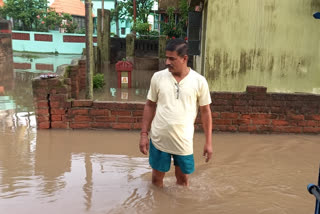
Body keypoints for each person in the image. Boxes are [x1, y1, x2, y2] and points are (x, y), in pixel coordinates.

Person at [139, 39, 212, 187]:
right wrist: (144, 134)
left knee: (183, 181)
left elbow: (205, 111)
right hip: (160, 139)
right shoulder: (158, 77)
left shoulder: (199, 81)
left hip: (183, 140)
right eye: (166, 58)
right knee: (156, 181)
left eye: (172, 58)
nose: (167, 62)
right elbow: (149, 105)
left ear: (184, 58)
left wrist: (208, 142)